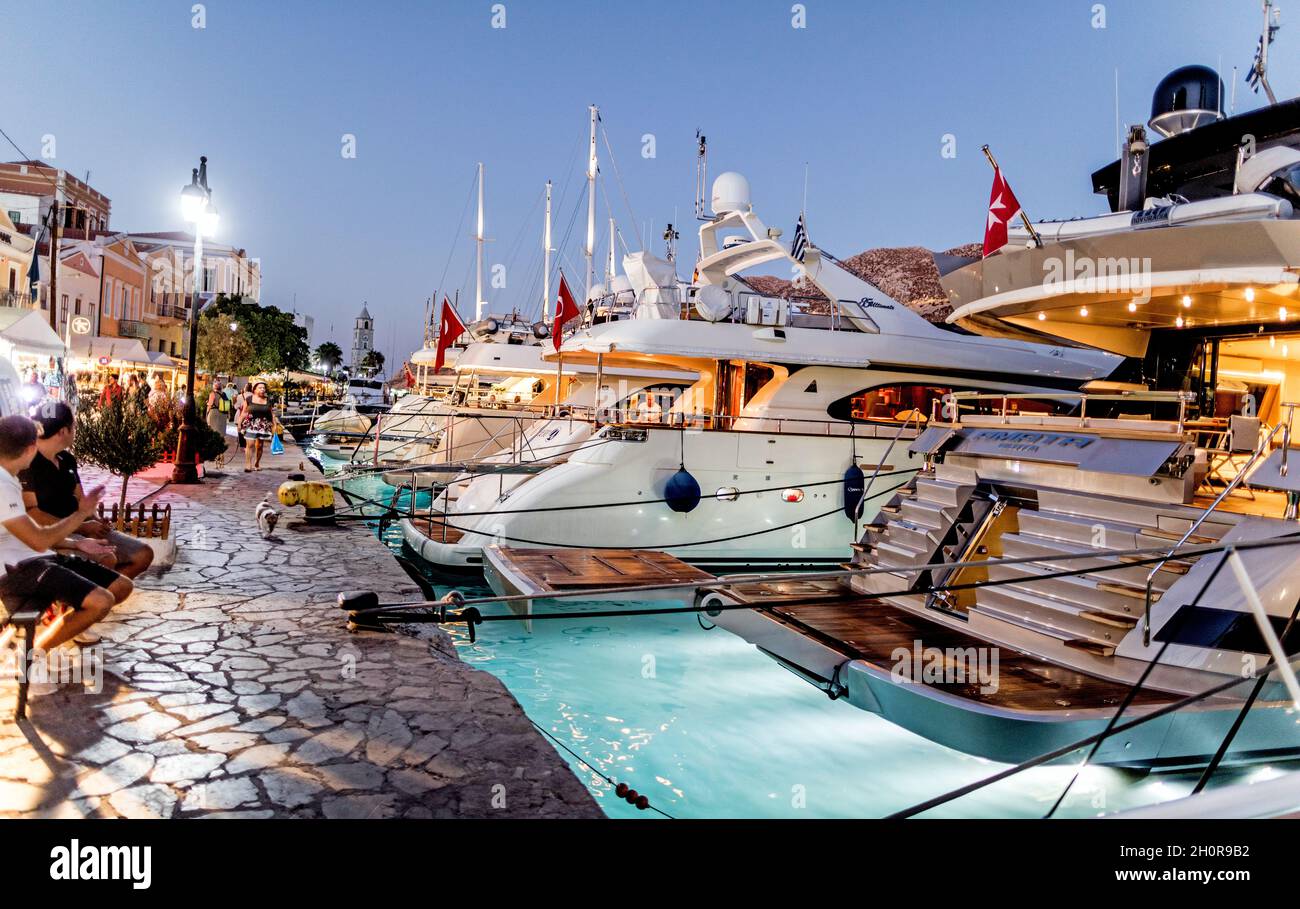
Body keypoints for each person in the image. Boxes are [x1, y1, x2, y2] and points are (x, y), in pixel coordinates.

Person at [0, 415, 131, 652]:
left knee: (121, 586)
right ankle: (33, 653)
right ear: (30, 449)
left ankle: (50, 634)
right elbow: (38, 540)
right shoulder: (2, 484)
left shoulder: (8, 479)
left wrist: (75, 543)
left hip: (35, 559)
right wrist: (81, 515)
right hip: (16, 569)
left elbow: (30, 534)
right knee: (100, 601)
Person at [20, 403, 154, 579]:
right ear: (62, 431)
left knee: (143, 554)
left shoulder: (67, 460)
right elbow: (31, 513)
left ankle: (105, 594)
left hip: (80, 527)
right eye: (73, 427)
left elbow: (80, 498)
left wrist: (97, 521)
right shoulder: (26, 463)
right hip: (51, 534)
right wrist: (81, 527)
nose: (75, 431)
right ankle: (91, 597)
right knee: (105, 558)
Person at [237, 381, 275, 472]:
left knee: (260, 446)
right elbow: (244, 413)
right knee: (249, 444)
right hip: (250, 424)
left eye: (264, 388)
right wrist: (239, 424)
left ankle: (257, 463)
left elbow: (271, 414)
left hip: (263, 425)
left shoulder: (268, 400)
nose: (262, 389)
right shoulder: (249, 399)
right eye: (260, 388)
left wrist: (275, 425)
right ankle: (248, 465)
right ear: (254, 389)